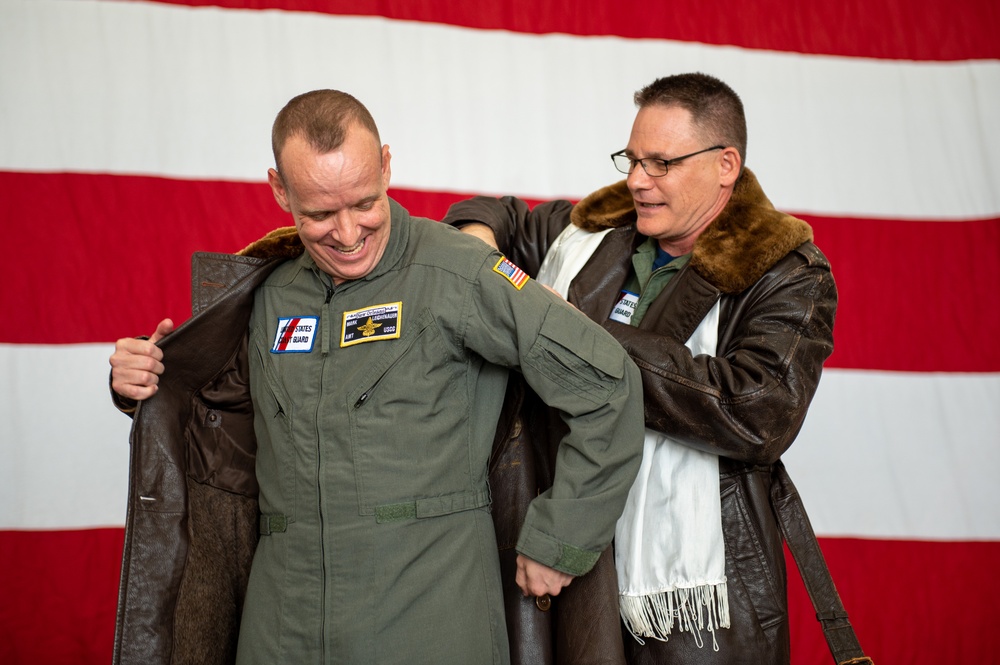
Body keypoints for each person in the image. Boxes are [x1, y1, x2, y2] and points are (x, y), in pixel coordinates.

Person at [108, 89, 645, 665]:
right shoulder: (266, 292)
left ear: (387, 165)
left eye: (364, 203)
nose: (346, 234)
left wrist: (562, 538)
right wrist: (142, 379)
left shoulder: (459, 272)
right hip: (280, 623)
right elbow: (213, 415)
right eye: (318, 213)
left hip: (429, 616)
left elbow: (607, 382)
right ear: (279, 189)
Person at [442, 72, 838, 664]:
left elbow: (760, 412)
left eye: (661, 163)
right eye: (631, 158)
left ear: (725, 164)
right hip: (562, 558)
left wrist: (579, 338)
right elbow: (497, 217)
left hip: (694, 604)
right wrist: (474, 245)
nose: (635, 181)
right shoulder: (590, 233)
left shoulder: (787, 272)